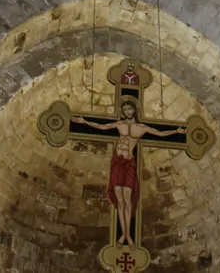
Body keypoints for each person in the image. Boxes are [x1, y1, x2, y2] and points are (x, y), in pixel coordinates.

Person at [71, 100, 185, 246]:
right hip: (118, 162)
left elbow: (160, 133)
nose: (127, 112)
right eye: (125, 109)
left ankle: (127, 235)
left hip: (130, 162)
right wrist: (84, 121)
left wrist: (177, 131)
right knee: (120, 200)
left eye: (129, 109)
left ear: (134, 110)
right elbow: (102, 127)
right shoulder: (120, 124)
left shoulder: (142, 127)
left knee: (127, 198)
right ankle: (124, 235)